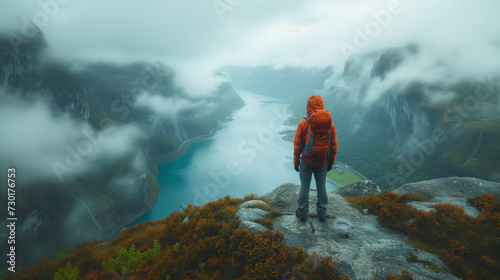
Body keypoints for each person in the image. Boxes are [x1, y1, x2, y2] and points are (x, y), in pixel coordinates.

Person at [293, 95, 337, 222]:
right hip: (322, 161)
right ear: (321, 105)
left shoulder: (304, 123)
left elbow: (297, 144)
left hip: (306, 161)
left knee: (305, 186)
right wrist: (330, 162)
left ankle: (302, 213)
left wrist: (296, 161)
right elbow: (333, 145)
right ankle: (322, 213)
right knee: (322, 186)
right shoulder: (329, 124)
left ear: (308, 106)